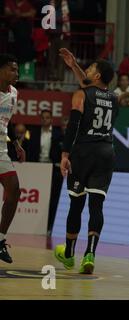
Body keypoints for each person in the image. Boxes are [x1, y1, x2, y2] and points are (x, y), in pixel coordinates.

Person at [54, 48, 119, 274]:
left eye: (91, 68)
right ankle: (90, 253)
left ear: (98, 75)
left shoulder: (81, 95)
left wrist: (64, 155)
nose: (87, 70)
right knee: (96, 206)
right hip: (106, 152)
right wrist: (74, 66)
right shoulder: (114, 99)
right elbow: (93, 88)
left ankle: (70, 254)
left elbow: (73, 125)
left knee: (76, 204)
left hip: (83, 152)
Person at [0, 54, 26, 264]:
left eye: (17, 70)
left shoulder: (14, 93)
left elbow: (7, 120)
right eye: (11, 69)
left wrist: (16, 143)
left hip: (1, 149)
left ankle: (0, 240)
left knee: (14, 189)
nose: (16, 74)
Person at [28, 110, 64, 235]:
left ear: (51, 119)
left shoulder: (58, 134)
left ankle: (49, 227)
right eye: (43, 118)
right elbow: (30, 150)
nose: (45, 120)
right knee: (37, 198)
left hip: (52, 168)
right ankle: (33, 225)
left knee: (52, 199)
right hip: (37, 168)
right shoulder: (34, 133)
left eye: (47, 118)